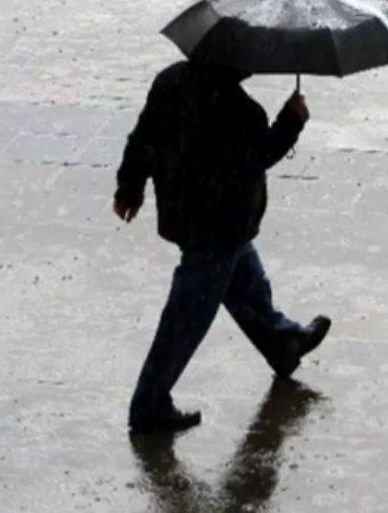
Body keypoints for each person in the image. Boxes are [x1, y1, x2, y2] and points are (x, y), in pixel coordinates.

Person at [113, 55, 330, 434]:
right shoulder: (241, 111)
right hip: (220, 224)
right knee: (187, 315)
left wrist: (129, 188)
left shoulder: (169, 81)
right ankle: (149, 403)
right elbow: (260, 156)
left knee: (246, 280)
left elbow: (143, 139)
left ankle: (283, 342)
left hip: (186, 214)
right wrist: (292, 120)